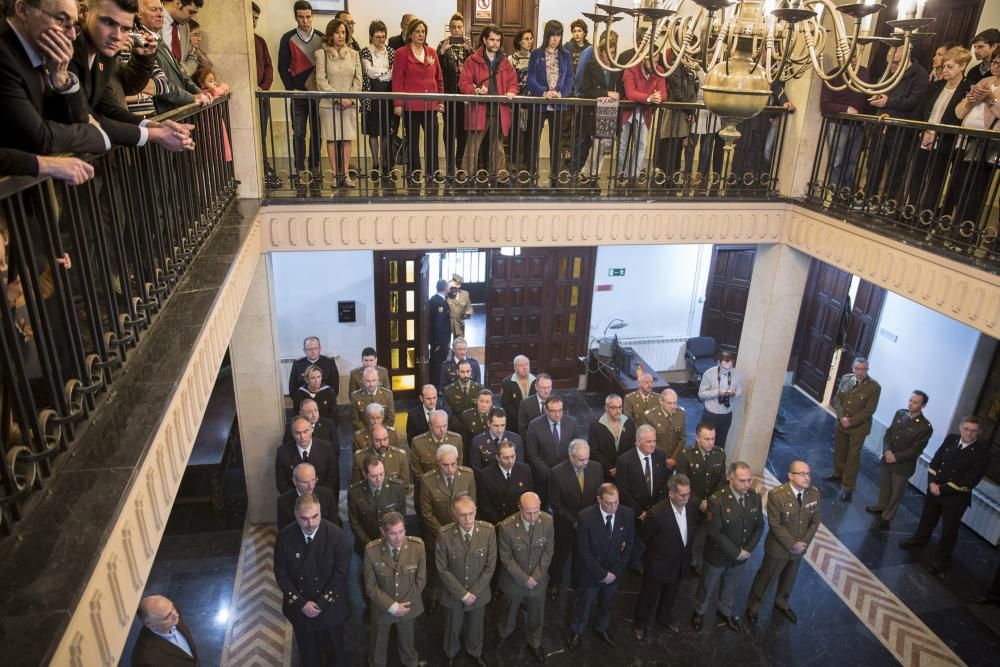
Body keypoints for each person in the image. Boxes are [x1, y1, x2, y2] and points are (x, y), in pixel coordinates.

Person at [0, 0, 110, 157]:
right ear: (23, 10)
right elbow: (38, 138)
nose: (72, 35)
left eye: (74, 25)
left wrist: (61, 79)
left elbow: (65, 120)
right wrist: (95, 135)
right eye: (61, 20)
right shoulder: (4, 54)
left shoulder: (45, 56)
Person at [899, 416, 991, 575]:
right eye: (966, 429)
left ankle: (941, 560)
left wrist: (941, 489)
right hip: (935, 489)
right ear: (961, 427)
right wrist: (932, 483)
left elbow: (970, 481)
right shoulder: (951, 439)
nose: (969, 433)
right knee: (927, 519)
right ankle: (919, 540)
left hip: (955, 497)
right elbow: (935, 462)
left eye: (973, 431)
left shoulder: (983, 454)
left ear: (979, 433)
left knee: (949, 531)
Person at [273, 493, 351, 667]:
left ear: (320, 512)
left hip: (331, 607)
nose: (310, 524)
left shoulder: (336, 535)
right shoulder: (284, 538)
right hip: (301, 609)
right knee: (309, 656)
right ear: (295, 515)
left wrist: (322, 603)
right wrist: (301, 604)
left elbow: (341, 574)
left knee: (336, 654)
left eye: (315, 517)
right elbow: (281, 575)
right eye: (304, 519)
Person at [745, 460, 821, 625]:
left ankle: (782, 602)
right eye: (802, 474)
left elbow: (815, 522)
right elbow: (775, 524)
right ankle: (754, 606)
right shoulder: (777, 495)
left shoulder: (813, 494)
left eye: (808, 474)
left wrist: (803, 544)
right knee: (766, 578)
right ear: (790, 476)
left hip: (799, 549)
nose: (806, 477)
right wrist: (792, 544)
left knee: (789, 578)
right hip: (778, 549)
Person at [691, 462, 763, 633]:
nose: (747, 485)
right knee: (707, 586)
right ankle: (699, 611)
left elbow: (759, 526)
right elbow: (715, 533)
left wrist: (748, 551)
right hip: (718, 556)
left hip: (741, 557)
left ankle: (725, 610)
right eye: (742, 480)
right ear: (731, 477)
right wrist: (737, 552)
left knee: (731, 586)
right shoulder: (717, 501)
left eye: (749, 480)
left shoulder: (754, 497)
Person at [567, 483, 635, 651]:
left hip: (614, 572)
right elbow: (584, 551)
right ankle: (577, 630)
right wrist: (602, 574)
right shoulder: (585, 517)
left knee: (607, 603)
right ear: (599, 500)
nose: (613, 507)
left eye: (616, 502)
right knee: (584, 603)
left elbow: (629, 545)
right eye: (608, 503)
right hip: (592, 573)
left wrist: (615, 572)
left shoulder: (627, 514)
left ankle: (601, 628)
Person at [905, 47, 972, 215]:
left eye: (950, 67)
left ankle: (925, 216)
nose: (945, 70)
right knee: (917, 175)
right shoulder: (936, 85)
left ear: (962, 66)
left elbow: (958, 117)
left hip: (945, 141)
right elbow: (922, 111)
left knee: (936, 179)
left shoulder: (968, 88)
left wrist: (937, 134)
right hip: (924, 137)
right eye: (944, 67)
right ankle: (911, 210)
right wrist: (924, 131)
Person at [632, 474, 696, 639]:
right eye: (683, 495)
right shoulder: (657, 513)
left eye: (688, 494)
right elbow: (644, 536)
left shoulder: (691, 506)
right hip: (658, 564)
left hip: (680, 562)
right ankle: (640, 623)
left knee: (671, 594)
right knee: (648, 596)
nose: (687, 498)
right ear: (671, 493)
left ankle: (664, 617)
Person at [435, 495, 496, 667]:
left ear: (476, 511)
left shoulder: (488, 531)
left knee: (476, 627)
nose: (468, 519)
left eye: (471, 513)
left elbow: (490, 566)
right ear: (454, 514)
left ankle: (475, 651)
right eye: (463, 515)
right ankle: (450, 652)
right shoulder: (444, 534)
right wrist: (463, 594)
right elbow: (442, 568)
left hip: (479, 593)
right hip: (453, 594)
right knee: (452, 626)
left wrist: (474, 593)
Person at [496, 491, 553, 662]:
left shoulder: (548, 521)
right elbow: (505, 557)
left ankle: (534, 641)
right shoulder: (507, 526)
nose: (533, 516)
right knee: (508, 610)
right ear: (519, 508)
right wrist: (524, 579)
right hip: (514, 580)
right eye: (528, 512)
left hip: (538, 578)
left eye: (536, 511)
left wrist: (536, 576)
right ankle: (504, 632)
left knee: (537, 613)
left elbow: (549, 551)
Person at [364, 511, 427, 667]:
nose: (399, 538)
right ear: (383, 532)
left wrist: (403, 606)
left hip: (408, 606)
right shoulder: (372, 551)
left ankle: (410, 662)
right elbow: (371, 586)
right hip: (382, 607)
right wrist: (392, 607)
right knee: (378, 644)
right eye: (393, 534)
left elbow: (420, 580)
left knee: (408, 642)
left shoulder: (417, 546)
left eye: (401, 531)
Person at [459, 23, 519, 183]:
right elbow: (463, 83)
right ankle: (466, 177)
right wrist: (476, 90)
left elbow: (514, 83)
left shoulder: (505, 62)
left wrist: (512, 91)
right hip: (479, 110)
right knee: (472, 146)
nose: (495, 43)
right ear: (484, 40)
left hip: (499, 110)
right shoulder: (472, 60)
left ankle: (500, 177)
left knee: (498, 147)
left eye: (498, 40)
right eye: (491, 39)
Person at [420, 444, 477, 610]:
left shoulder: (468, 475)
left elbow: (472, 504)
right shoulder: (427, 480)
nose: (450, 469)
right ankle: (433, 597)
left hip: (463, 532)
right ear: (438, 463)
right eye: (445, 465)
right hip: (437, 534)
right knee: (437, 570)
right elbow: (426, 513)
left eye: (453, 464)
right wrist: (445, 534)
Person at [866, 391, 933, 530]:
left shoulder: (925, 427)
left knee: (896, 493)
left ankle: (887, 517)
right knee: (885, 486)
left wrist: (895, 457)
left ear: (923, 405)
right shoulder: (900, 413)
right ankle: (881, 506)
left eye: (915, 402)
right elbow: (889, 434)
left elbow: (915, 450)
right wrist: (887, 451)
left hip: (902, 465)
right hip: (888, 458)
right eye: (910, 400)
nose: (911, 404)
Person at [548, 439, 603, 599]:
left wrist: (588, 520)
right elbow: (556, 505)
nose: (585, 462)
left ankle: (576, 582)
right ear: (571, 457)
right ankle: (554, 584)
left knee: (582, 555)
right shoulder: (557, 473)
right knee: (560, 557)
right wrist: (574, 522)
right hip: (565, 525)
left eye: (587, 458)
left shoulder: (596, 468)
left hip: (588, 524)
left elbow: (598, 496)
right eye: (581, 459)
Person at [278, 0, 323, 190]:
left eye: (308, 16)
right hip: (298, 95)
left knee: (317, 133)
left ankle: (314, 166)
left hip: (318, 94)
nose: (305, 21)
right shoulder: (287, 38)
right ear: (295, 17)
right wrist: (291, 88)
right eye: (301, 17)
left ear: (312, 16)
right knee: (299, 133)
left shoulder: (321, 37)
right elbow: (282, 66)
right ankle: (299, 168)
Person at [392, 18, 443, 184]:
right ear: (410, 34)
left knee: (432, 139)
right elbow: (397, 80)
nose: (421, 34)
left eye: (423, 32)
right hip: (411, 105)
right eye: (417, 31)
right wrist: (398, 103)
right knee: (412, 140)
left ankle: (433, 172)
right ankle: (414, 171)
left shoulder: (432, 52)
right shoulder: (401, 52)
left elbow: (439, 79)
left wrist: (441, 101)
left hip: (430, 104)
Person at [138, 0, 212, 115]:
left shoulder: (158, 37)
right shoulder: (141, 40)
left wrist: (199, 92)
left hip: (176, 105)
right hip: (158, 109)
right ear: (139, 14)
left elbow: (179, 68)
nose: (160, 14)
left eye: (161, 10)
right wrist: (192, 98)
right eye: (154, 10)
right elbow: (157, 81)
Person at [675, 422, 727, 575]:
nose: (711, 442)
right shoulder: (686, 455)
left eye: (713, 439)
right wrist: (699, 503)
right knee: (686, 536)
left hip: (710, 506)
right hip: (689, 504)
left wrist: (710, 502)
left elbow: (722, 481)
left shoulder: (720, 454)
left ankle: (697, 562)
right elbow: (682, 484)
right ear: (697, 438)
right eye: (707, 439)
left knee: (702, 537)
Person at [615, 425, 670, 570]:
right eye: (648, 442)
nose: (653, 445)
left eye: (654, 441)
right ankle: (635, 563)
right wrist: (640, 512)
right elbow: (623, 491)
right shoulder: (624, 461)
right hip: (635, 512)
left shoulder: (660, 455)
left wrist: (656, 509)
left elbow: (664, 484)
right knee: (635, 540)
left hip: (655, 509)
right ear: (638, 442)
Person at [316, 18, 362, 188]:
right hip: (329, 104)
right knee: (332, 139)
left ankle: (346, 175)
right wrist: (338, 98)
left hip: (349, 104)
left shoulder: (354, 54)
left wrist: (349, 98)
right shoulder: (321, 54)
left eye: (343, 32)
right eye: (337, 32)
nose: (341, 35)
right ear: (330, 34)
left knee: (347, 138)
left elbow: (358, 80)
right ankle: (336, 175)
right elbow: (321, 80)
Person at [526, 20, 573, 187]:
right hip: (540, 103)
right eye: (553, 35)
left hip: (558, 104)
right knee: (533, 141)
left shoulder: (566, 54)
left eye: (559, 35)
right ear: (547, 35)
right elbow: (530, 79)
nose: (556, 39)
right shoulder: (536, 54)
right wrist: (543, 92)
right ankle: (530, 177)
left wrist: (561, 93)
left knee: (556, 142)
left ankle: (554, 178)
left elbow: (569, 79)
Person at [828, 357, 881, 502]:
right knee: (840, 450)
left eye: (864, 369)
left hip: (858, 428)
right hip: (841, 423)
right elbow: (837, 399)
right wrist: (841, 417)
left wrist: (850, 421)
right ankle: (838, 473)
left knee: (852, 457)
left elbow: (869, 410)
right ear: (853, 369)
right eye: (858, 369)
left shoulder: (874, 387)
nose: (861, 372)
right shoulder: (846, 379)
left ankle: (848, 487)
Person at [819, 54, 870, 195]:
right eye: (849, 57)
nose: (853, 60)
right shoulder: (833, 76)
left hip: (858, 125)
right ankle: (834, 193)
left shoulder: (864, 73)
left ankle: (844, 194)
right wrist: (846, 109)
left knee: (852, 161)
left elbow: (868, 97)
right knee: (837, 162)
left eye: (855, 57)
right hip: (838, 125)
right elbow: (825, 105)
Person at [618, 59, 666, 183]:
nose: (654, 64)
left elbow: (664, 94)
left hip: (644, 114)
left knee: (641, 146)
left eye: (656, 61)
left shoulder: (659, 71)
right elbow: (630, 93)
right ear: (644, 59)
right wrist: (649, 98)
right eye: (651, 61)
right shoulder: (631, 69)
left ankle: (634, 175)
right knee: (622, 146)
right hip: (628, 112)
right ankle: (621, 175)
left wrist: (655, 97)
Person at [360, 20, 396, 182]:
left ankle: (385, 161)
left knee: (386, 132)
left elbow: (393, 75)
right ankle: (375, 162)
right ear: (371, 36)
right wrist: (385, 72)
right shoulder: (365, 52)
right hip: (371, 97)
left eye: (383, 37)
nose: (380, 40)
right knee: (373, 132)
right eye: (377, 37)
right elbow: (368, 72)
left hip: (388, 96)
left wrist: (382, 73)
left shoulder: (391, 52)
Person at [348, 456, 407, 554]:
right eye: (373, 476)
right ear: (365, 474)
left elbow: (402, 516)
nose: (379, 479)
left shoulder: (397, 488)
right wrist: (370, 544)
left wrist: (392, 540)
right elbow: (355, 524)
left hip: (393, 543)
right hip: (366, 545)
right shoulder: (355, 492)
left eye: (381, 474)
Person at [438, 13, 472, 180]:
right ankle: (450, 162)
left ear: (463, 28)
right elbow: (437, 70)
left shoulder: (469, 47)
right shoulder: (442, 46)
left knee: (463, 130)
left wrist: (470, 51)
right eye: (453, 27)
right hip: (449, 94)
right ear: (449, 29)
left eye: (459, 27)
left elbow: (476, 68)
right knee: (449, 130)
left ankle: (459, 162)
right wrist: (442, 52)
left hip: (465, 96)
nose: (457, 30)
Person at [525, 395, 578, 497]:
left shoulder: (571, 423)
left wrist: (563, 471)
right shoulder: (534, 425)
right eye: (553, 411)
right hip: (543, 477)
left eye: (560, 410)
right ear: (545, 410)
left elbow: (575, 449)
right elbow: (532, 454)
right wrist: (549, 473)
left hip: (565, 475)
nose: (557, 414)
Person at [275, 415, 338, 495]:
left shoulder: (326, 448)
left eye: (305, 431)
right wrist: (301, 499)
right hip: (295, 502)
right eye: (298, 433)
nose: (302, 437)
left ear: (312, 429)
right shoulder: (283, 452)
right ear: (292, 433)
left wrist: (316, 498)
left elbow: (332, 479)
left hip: (321, 499)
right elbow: (281, 483)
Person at [252, 2, 279, 186]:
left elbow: (269, 66)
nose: (254, 22)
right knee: (253, 136)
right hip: (248, 96)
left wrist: (264, 86)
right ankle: (260, 168)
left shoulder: (260, 41)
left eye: (256, 19)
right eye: (251, 18)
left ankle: (265, 166)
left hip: (262, 97)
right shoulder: (239, 42)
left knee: (261, 134)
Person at [133, 595, 200, 666]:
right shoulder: (145, 660)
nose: (176, 615)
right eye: (167, 616)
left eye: (172, 607)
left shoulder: (170, 610)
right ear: (152, 625)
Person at [476, 440, 532, 525]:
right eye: (506, 458)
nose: (510, 461)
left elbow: (528, 496)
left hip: (519, 521)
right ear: (497, 457)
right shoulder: (485, 475)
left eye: (513, 456)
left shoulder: (524, 469)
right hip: (498, 522)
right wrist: (499, 522)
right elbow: (485, 505)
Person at [697, 351, 743, 451]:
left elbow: (740, 391)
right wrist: (717, 392)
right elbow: (701, 394)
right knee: (704, 442)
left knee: (720, 444)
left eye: (729, 368)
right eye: (723, 368)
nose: (726, 371)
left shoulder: (737, 374)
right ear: (718, 362)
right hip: (711, 415)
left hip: (726, 415)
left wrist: (734, 393)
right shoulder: (709, 374)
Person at [277, 462, 340, 529]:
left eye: (313, 480)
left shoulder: (327, 494)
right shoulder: (283, 502)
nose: (311, 486)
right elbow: (284, 531)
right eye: (305, 482)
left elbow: (334, 525)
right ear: (294, 481)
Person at [588, 393, 635, 481]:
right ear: (606, 408)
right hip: (605, 473)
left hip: (626, 470)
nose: (618, 411)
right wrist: (610, 469)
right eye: (614, 407)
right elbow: (594, 452)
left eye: (620, 407)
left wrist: (621, 467)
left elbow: (633, 447)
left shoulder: (629, 422)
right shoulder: (596, 426)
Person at [411, 410, 465, 484]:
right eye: (437, 427)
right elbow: (417, 471)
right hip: (428, 486)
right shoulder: (418, 443)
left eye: (444, 425)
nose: (442, 430)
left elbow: (458, 465)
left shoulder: (456, 439)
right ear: (430, 426)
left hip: (450, 483)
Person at [507, 28, 534, 174]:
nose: (529, 41)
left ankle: (527, 162)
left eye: (531, 38)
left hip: (531, 100)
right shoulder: (512, 59)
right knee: (515, 132)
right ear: (519, 41)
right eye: (526, 38)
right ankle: (512, 161)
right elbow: (509, 79)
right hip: (516, 100)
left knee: (531, 132)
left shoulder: (535, 57)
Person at [351, 423, 410, 487]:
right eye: (378, 440)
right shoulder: (359, 458)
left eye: (385, 439)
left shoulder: (400, 456)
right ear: (371, 440)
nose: (382, 444)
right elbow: (356, 487)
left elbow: (404, 486)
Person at [641, 388, 686, 466]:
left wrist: (673, 458)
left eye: (674, 403)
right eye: (669, 403)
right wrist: (663, 460)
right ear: (661, 401)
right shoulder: (650, 417)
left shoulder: (680, 414)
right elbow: (647, 442)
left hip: (674, 460)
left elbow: (683, 439)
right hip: (656, 460)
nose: (673, 406)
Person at [443, 359, 484, 432]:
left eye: (468, 371)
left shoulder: (480, 389)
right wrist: (460, 427)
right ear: (457, 372)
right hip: (457, 429)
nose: (465, 375)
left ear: (471, 371)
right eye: (462, 372)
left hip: (475, 429)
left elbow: (482, 410)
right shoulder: (448, 390)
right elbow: (449, 413)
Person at [350, 366, 395, 432]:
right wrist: (368, 432)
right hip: (364, 433)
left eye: (373, 380)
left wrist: (380, 431)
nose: (371, 384)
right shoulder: (355, 396)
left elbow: (390, 418)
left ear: (378, 380)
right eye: (368, 381)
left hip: (383, 433)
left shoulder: (387, 394)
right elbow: (355, 420)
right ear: (363, 381)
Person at [499, 355, 535, 432]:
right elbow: (506, 404)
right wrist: (521, 417)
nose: (525, 367)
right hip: (514, 422)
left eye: (526, 364)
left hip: (533, 421)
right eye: (521, 365)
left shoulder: (536, 381)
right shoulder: (507, 382)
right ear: (515, 368)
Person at [429, 279, 452, 388]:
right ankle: (437, 387)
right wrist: (438, 343)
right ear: (445, 288)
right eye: (448, 287)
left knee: (437, 363)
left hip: (439, 341)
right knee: (438, 365)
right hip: (439, 342)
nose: (449, 289)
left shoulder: (436, 299)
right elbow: (439, 324)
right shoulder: (439, 302)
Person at [160, 0, 198, 66]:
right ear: (177, 3)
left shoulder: (185, 26)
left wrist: (182, 72)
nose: (193, 17)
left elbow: (192, 58)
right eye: (191, 12)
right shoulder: (151, 19)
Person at [460, 389, 495, 455]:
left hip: (492, 454)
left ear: (491, 404)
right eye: (481, 401)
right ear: (476, 401)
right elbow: (464, 442)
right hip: (473, 453)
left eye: (487, 402)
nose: (484, 405)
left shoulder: (496, 414)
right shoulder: (467, 416)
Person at [446, 274, 473, 338]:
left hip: (459, 325)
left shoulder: (465, 294)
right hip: (447, 326)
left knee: (459, 344)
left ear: (459, 287)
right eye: (451, 288)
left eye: (455, 288)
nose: (453, 290)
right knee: (446, 345)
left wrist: (468, 313)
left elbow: (469, 306)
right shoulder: (446, 295)